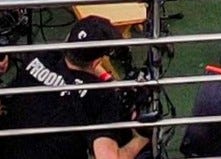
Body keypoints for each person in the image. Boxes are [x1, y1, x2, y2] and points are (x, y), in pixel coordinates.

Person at [0, 16, 151, 159]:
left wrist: (108, 80)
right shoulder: (101, 96)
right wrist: (142, 139)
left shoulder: (40, 57)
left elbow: (77, 65)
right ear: (97, 62)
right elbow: (108, 157)